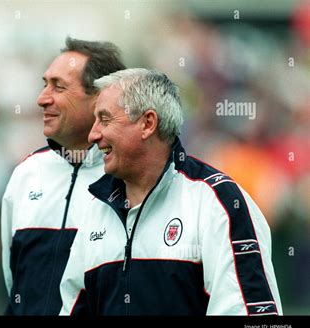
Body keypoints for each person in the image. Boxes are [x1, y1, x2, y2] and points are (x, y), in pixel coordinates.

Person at [60, 68, 282, 315]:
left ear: (148, 123)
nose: (93, 134)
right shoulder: (96, 210)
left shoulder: (220, 203)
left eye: (105, 119)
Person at [1, 37, 126, 315]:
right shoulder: (26, 174)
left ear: (100, 97)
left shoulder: (132, 180)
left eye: (58, 86)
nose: (42, 99)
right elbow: (14, 285)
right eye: (44, 84)